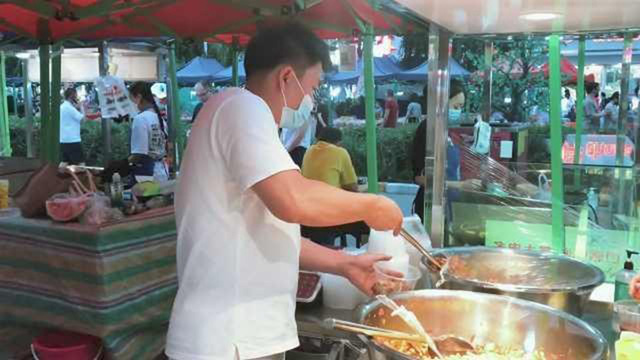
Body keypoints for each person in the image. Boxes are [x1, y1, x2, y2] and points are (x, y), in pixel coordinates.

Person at [165, 22, 403, 360]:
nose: (312, 99)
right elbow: (294, 200)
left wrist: (344, 264)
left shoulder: (245, 119)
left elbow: (275, 232)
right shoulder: (240, 107)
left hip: (242, 338)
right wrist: (371, 205)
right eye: (313, 86)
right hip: (229, 340)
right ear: (286, 77)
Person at [411, 79, 480, 222]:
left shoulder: (445, 129)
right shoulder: (428, 129)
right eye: (456, 106)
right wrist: (460, 185)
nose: (459, 111)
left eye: (461, 107)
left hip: (448, 206)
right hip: (431, 209)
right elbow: (421, 178)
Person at [128, 82, 169, 183]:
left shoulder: (140, 119)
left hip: (146, 175)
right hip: (161, 172)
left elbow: (139, 154)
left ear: (138, 97)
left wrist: (123, 165)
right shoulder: (159, 118)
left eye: (130, 100)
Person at [302, 127, 358, 192]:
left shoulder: (309, 150)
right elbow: (352, 186)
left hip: (308, 197)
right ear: (339, 142)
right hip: (329, 198)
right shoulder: (340, 152)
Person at [59, 87, 89, 165]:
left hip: (63, 139)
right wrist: (82, 107)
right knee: (81, 163)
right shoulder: (69, 108)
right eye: (76, 95)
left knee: (64, 161)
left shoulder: (62, 107)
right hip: (72, 140)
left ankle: (54, 175)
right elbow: (83, 120)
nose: (77, 97)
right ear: (72, 96)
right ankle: (80, 177)